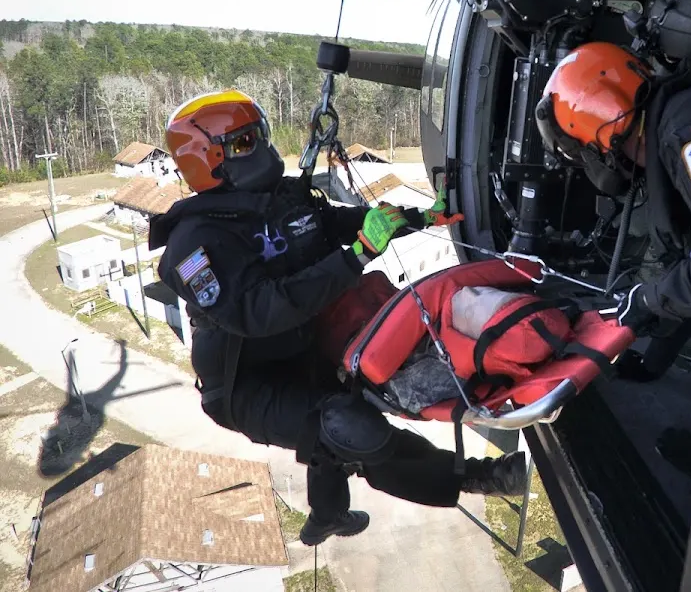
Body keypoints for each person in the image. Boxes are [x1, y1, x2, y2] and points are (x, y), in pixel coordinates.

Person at [148, 89, 527, 547]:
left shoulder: (278, 200)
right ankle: (475, 477)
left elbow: (335, 225)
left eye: (261, 136)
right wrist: (357, 257)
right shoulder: (193, 247)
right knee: (349, 427)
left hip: (302, 350)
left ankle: (326, 515)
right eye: (245, 143)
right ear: (207, 161)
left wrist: (416, 217)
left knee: (337, 426)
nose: (264, 149)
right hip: (246, 386)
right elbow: (258, 311)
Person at [535, 0, 691, 384]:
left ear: (604, 127)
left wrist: (649, 298)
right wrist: (655, 337)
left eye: (584, 150)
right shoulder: (680, 126)